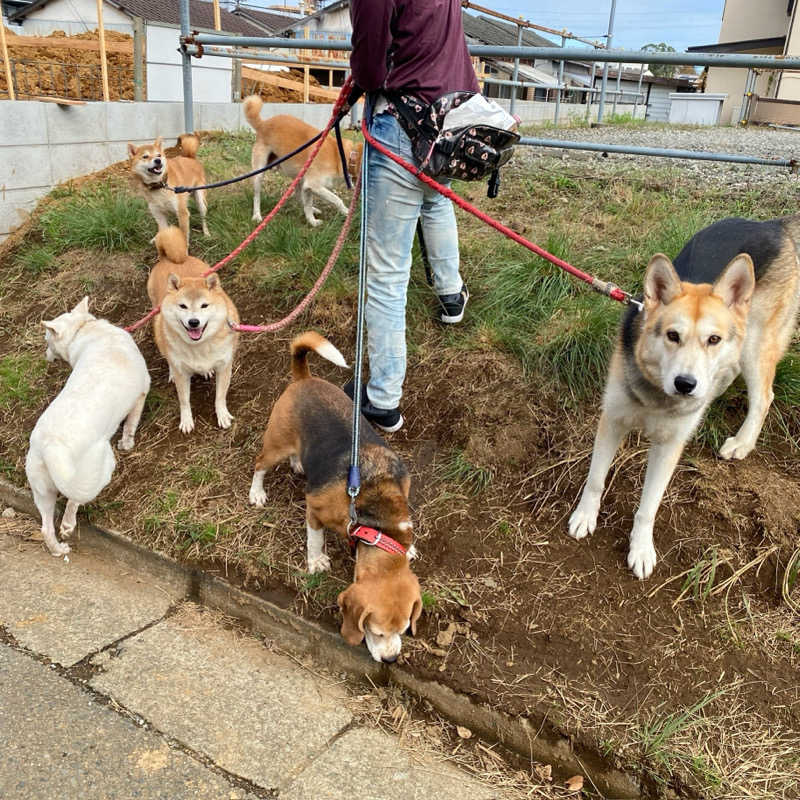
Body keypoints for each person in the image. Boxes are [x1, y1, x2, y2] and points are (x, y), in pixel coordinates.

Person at [346, 0, 479, 433]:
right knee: (436, 202)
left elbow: (368, 66)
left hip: (400, 124)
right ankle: (451, 295)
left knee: (386, 275)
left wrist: (362, 80)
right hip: (448, 122)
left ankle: (382, 399)